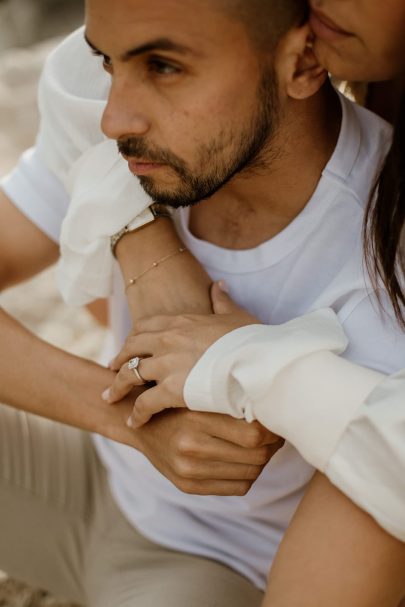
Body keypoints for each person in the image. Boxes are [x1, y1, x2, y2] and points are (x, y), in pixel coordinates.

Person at [0, 3, 404, 607]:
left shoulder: (379, 268)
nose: (113, 118)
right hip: (83, 475)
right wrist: (128, 426)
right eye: (107, 63)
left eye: (164, 67)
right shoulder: (146, 144)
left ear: (303, 62)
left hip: (212, 566)